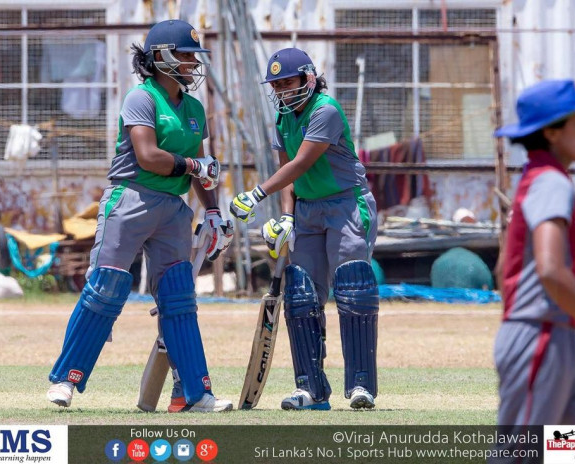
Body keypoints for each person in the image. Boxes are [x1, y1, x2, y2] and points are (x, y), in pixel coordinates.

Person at [46, 19, 234, 413]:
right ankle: (66, 379)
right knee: (107, 289)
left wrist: (213, 210)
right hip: (131, 199)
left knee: (179, 297)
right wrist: (195, 167)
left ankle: (194, 394)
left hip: (172, 209)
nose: (192, 64)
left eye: (194, 57)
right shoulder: (141, 97)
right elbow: (149, 156)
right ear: (161, 57)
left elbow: (200, 166)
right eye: (185, 56)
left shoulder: (194, 107)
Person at [230, 48, 379, 410]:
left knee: (353, 288)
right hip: (308, 210)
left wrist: (256, 192)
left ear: (308, 79)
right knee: (300, 296)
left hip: (346, 203)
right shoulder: (282, 119)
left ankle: (361, 386)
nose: (282, 90)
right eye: (276, 84)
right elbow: (290, 180)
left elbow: (301, 163)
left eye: (288, 82)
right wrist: (286, 217)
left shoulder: (325, 109)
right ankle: (311, 390)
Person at [493, 79, 575, 427]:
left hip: (557, 337)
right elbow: (550, 271)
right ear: (551, 133)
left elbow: (503, 267)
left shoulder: (533, 178)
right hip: (540, 337)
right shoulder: (550, 181)